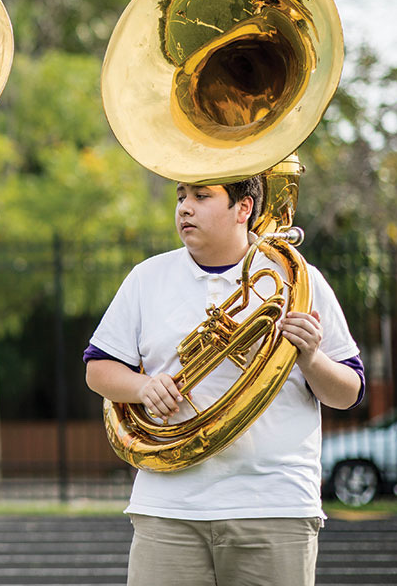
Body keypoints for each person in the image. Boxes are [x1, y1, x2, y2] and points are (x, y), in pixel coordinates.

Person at [85, 175, 365, 586]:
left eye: (201, 196)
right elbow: (98, 369)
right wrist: (142, 387)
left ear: (244, 208)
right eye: (181, 197)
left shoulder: (298, 278)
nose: (184, 207)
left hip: (273, 506)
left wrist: (310, 357)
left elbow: (349, 392)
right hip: (169, 508)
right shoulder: (147, 278)